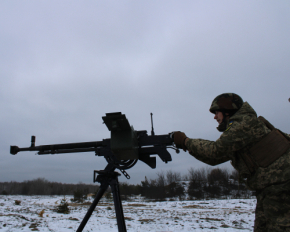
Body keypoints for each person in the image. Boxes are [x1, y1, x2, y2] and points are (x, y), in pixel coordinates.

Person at [173, 93, 290, 232]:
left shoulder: (243, 125)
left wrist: (185, 141)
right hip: (270, 188)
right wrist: (187, 145)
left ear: (228, 110)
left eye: (217, 112)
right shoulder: (241, 127)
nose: (215, 117)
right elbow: (214, 159)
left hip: (281, 187)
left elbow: (216, 150)